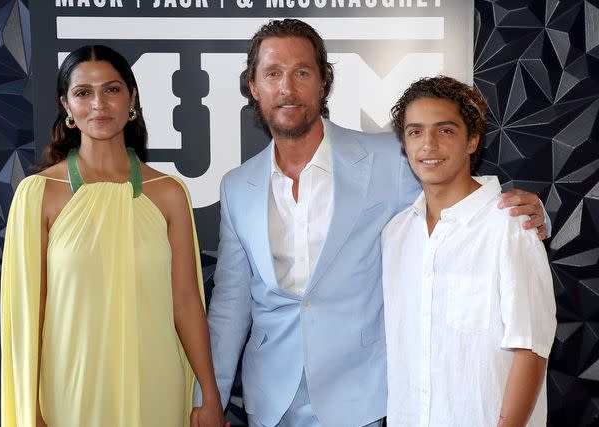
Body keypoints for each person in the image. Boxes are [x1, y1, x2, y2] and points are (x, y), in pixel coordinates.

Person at [195, 19, 549, 427]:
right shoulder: (238, 186)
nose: (287, 88)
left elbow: (454, 198)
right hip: (270, 402)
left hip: (362, 398)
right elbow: (230, 307)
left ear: (324, 82)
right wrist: (210, 398)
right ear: (254, 87)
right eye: (273, 74)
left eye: (302, 72)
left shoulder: (389, 158)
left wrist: (536, 213)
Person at [0, 45, 225, 427]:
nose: (98, 104)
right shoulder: (37, 194)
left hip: (156, 386)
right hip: (70, 392)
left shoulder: (170, 193)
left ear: (132, 98)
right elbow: (26, 315)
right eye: (83, 93)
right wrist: (29, 410)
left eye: (112, 90)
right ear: (66, 106)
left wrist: (210, 392)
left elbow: (186, 301)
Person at [381, 76, 556, 426]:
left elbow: (531, 348)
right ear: (403, 143)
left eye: (445, 130)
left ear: (472, 140)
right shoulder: (396, 235)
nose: (428, 144)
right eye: (415, 132)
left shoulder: (510, 226)